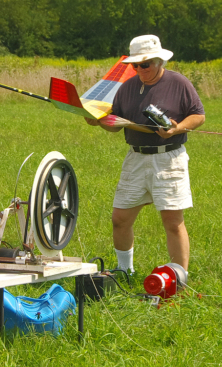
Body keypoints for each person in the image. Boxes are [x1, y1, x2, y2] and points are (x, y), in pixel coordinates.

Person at [86, 35, 205, 276]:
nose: (140, 69)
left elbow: (198, 116)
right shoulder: (127, 87)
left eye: (145, 64)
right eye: (135, 65)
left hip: (168, 158)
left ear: (159, 61)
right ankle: (124, 271)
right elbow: (116, 124)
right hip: (136, 158)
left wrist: (176, 128)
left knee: (172, 222)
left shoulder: (178, 83)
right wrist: (98, 121)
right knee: (120, 218)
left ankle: (177, 279)